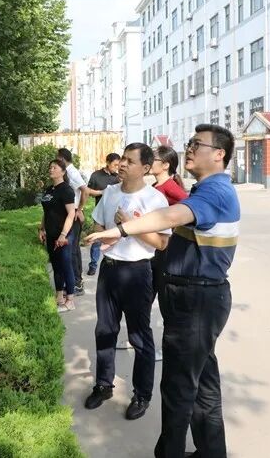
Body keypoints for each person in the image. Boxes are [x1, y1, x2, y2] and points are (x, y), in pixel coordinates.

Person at [86, 124, 239, 458]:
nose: (189, 148)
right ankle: (211, 452)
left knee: (178, 387)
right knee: (203, 386)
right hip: (196, 297)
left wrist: (122, 229)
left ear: (219, 154)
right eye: (190, 142)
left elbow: (170, 217)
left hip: (196, 302)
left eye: (197, 144)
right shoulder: (205, 190)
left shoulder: (214, 192)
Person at [83, 143, 171, 421]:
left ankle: (142, 395)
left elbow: (161, 243)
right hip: (109, 270)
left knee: (139, 337)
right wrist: (104, 235)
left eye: (130, 161)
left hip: (137, 273)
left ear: (145, 168)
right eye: (122, 158)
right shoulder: (110, 192)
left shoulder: (155, 200)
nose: (122, 164)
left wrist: (129, 227)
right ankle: (103, 385)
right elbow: (98, 223)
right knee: (105, 330)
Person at [38, 160, 78, 311]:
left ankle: (70, 300)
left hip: (64, 235)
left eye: (54, 167)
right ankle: (59, 296)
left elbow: (71, 213)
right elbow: (46, 212)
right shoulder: (49, 190)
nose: (51, 169)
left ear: (63, 172)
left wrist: (63, 235)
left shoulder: (66, 190)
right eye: (50, 167)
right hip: (51, 233)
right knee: (56, 266)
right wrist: (42, 228)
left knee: (66, 266)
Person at [57, 148, 88, 295]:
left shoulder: (71, 172)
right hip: (69, 212)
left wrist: (79, 209)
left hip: (73, 214)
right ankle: (73, 281)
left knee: (73, 249)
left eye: (57, 159)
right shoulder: (69, 172)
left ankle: (77, 283)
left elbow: (85, 190)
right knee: (71, 248)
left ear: (62, 159)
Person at [86, 153, 121, 275]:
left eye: (118, 165)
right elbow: (88, 191)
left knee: (114, 239)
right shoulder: (96, 175)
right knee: (97, 239)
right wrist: (102, 192)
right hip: (100, 213)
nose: (117, 167)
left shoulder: (118, 177)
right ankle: (93, 265)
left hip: (115, 214)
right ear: (107, 163)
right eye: (115, 165)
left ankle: (113, 263)